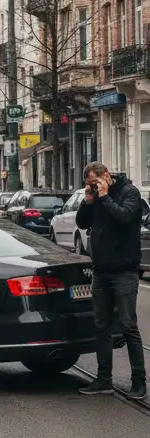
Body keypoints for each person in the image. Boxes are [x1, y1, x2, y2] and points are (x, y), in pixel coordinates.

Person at [75, 162, 146, 399]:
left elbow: (124, 218)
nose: (92, 187)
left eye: (94, 182)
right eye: (89, 184)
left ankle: (139, 380)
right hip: (101, 270)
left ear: (106, 176)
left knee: (127, 324)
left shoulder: (129, 193)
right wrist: (87, 201)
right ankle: (103, 379)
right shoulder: (95, 196)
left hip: (124, 270)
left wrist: (105, 197)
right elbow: (82, 223)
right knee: (101, 325)